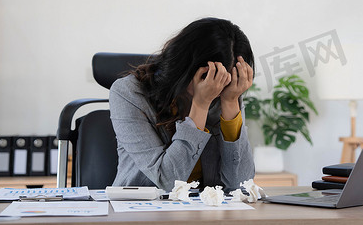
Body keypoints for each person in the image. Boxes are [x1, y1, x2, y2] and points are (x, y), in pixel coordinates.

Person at [109, 17, 255, 192]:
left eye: (227, 79)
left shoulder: (227, 94)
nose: (218, 86)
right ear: (184, 66)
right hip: (143, 211)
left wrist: (231, 102)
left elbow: (241, 185)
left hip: (205, 211)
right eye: (211, 76)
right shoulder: (128, 92)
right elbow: (168, 181)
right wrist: (200, 106)